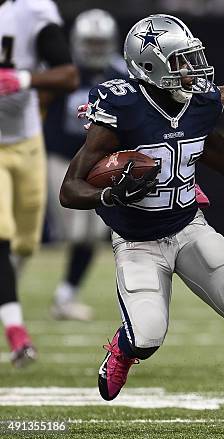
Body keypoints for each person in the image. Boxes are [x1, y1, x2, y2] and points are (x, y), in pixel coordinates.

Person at [59, 15, 224, 437]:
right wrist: (110, 195)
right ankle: (123, 349)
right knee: (147, 337)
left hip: (189, 228)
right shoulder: (121, 108)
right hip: (138, 241)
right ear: (151, 65)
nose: (193, 68)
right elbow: (69, 189)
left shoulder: (198, 104)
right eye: (181, 61)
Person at [0, 0, 79, 366]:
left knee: (26, 244)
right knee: (1, 235)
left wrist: (25, 78)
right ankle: (16, 333)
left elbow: (68, 75)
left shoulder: (32, 10)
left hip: (27, 141)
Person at [45, 9, 127, 321]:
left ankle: (66, 295)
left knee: (93, 233)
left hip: (98, 162)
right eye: (89, 43)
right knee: (75, 233)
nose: (94, 49)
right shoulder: (63, 72)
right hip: (61, 158)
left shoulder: (119, 72)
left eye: (99, 42)